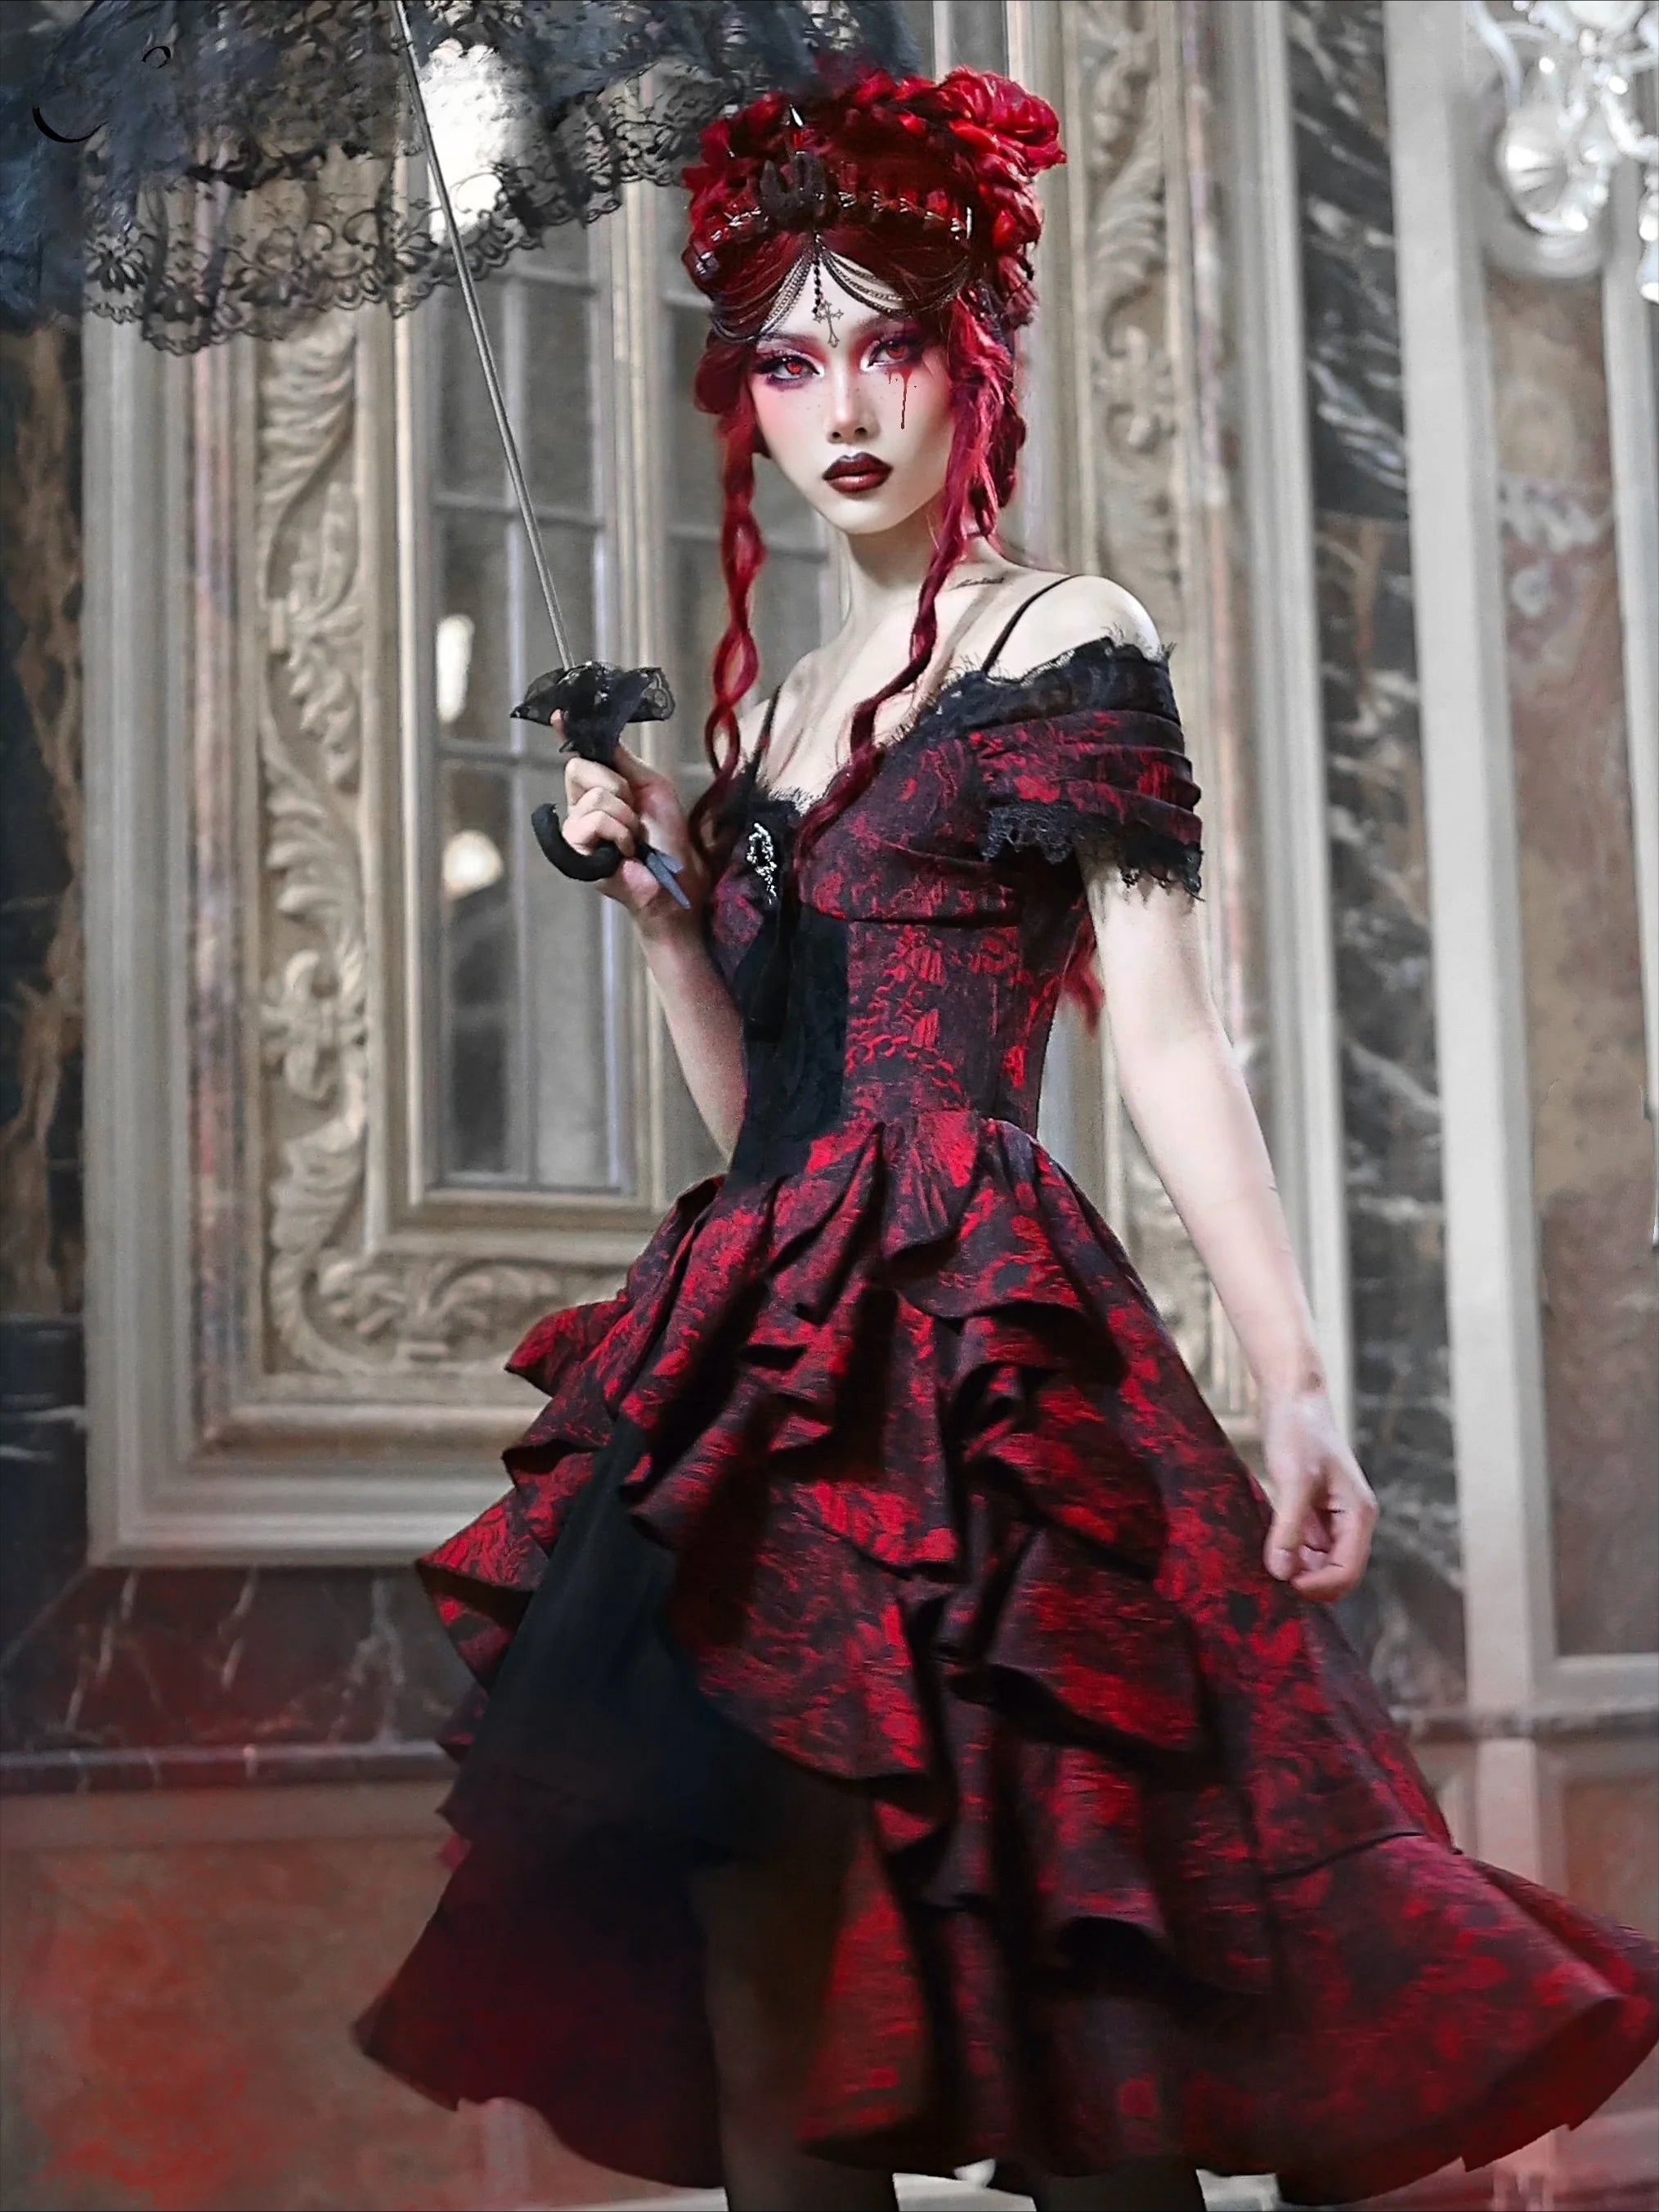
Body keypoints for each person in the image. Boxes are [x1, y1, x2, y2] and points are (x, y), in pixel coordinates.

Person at [356, 63, 1659, 2212]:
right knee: (767, 1989)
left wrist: (1295, 1380)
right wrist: (669, 907)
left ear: (973, 358)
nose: (843, 405)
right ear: (749, 398)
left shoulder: (1068, 639)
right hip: (762, 1369)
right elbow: (763, 1118)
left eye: (888, 345)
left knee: (1077, 1985)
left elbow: (1169, 1041)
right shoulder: (771, 711)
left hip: (977, 1346)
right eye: (792, 362)